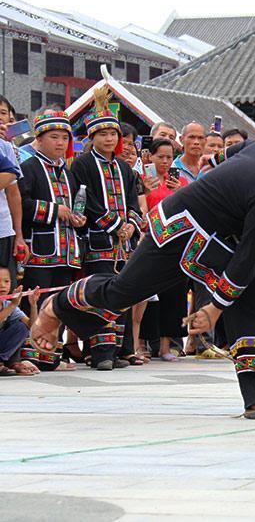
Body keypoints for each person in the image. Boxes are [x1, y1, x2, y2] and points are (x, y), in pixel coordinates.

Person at [31, 113, 255, 420]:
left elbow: (233, 156)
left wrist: (222, 178)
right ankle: (56, 306)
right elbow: (247, 256)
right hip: (181, 230)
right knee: (124, 292)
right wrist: (215, 309)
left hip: (220, 237)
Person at [70, 88, 143, 370]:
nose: (109, 139)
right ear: (92, 138)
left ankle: (121, 351)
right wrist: (115, 225)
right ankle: (100, 353)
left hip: (124, 243)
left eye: (112, 134)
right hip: (99, 240)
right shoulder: (84, 164)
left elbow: (135, 202)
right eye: (102, 134)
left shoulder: (125, 169)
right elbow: (84, 201)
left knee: (123, 291)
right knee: (100, 292)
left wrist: (131, 224)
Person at [18, 112, 85, 357]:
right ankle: (29, 352)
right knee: (34, 301)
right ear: (40, 138)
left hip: (66, 250)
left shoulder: (67, 172)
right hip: (40, 251)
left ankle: (54, 352)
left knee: (59, 303)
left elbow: (75, 206)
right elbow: (22, 205)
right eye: (54, 137)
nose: (60, 143)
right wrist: (56, 210)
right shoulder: (29, 167)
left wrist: (78, 218)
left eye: (65, 138)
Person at [141, 139, 189, 362]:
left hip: (176, 243)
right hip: (151, 242)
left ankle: (165, 345)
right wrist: (144, 190)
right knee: (148, 296)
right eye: (160, 156)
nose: (165, 161)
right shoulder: (143, 180)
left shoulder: (180, 183)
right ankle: (141, 342)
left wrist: (180, 191)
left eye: (169, 157)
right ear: (150, 157)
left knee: (174, 296)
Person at [0, 95, 27, 289]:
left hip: (3, 228)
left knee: (5, 286)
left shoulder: (7, 148)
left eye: (2, 113)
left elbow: (13, 193)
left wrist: (18, 234)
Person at [0, 266, 41, 375]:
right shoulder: (11, 305)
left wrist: (33, 305)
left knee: (21, 327)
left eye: (6, 281)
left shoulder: (7, 305)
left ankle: (4, 361)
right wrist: (13, 305)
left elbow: (31, 326)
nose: (2, 285)